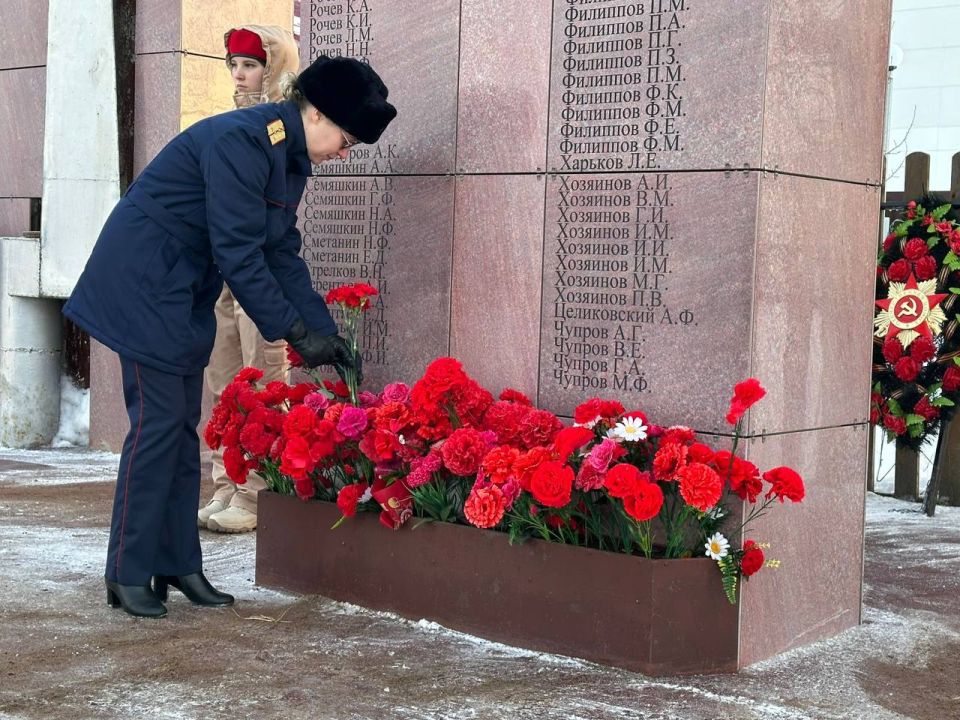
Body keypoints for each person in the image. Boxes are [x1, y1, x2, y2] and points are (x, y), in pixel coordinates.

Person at [63, 55, 397, 618]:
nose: (345, 152)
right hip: (145, 287)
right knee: (157, 428)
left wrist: (320, 330)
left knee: (177, 427)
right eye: (345, 138)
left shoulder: (287, 158)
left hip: (179, 292)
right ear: (314, 112)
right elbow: (239, 253)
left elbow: (279, 251)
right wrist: (289, 330)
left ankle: (175, 562)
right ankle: (127, 569)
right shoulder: (242, 142)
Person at [200, 26, 300, 535]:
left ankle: (257, 493)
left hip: (257, 270)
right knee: (222, 380)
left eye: (251, 64)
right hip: (224, 266)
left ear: (273, 66)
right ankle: (225, 484)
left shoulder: (285, 123)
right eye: (233, 65)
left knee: (262, 378)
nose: (240, 74)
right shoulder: (232, 120)